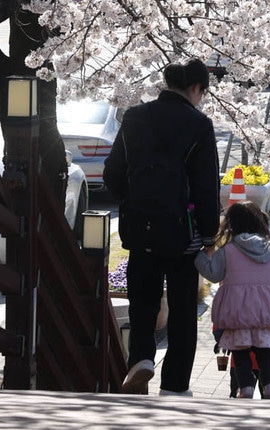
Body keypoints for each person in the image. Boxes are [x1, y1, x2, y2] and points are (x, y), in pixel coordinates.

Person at [104, 59, 221, 396]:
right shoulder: (199, 124)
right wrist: (210, 235)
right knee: (183, 312)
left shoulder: (135, 117)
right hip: (182, 236)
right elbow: (206, 187)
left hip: (140, 231)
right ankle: (174, 386)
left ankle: (140, 359)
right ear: (197, 88)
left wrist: (133, 201)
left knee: (143, 301)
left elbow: (113, 173)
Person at [196, 201, 270, 400]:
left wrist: (200, 256)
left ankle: (246, 388)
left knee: (240, 350)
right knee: (264, 349)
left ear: (231, 225)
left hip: (237, 310)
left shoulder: (227, 251)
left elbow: (214, 275)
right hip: (264, 311)